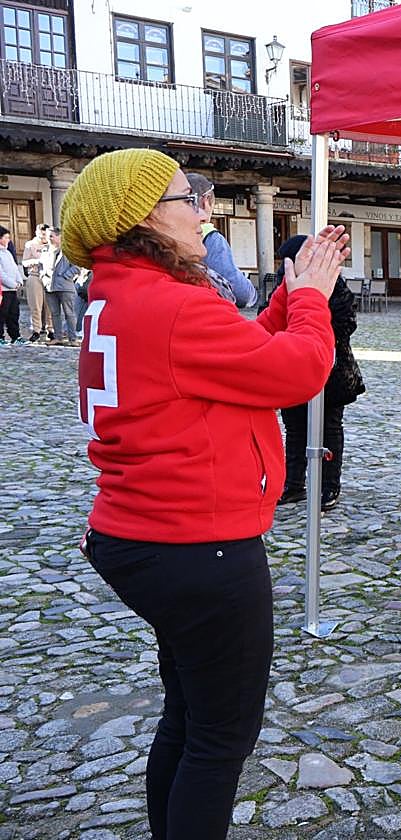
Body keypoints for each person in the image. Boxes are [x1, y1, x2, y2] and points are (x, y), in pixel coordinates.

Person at [62, 147, 347, 839]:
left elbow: (237, 351)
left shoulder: (125, 294)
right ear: (143, 221)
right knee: (220, 739)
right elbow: (298, 371)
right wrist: (311, 301)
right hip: (197, 547)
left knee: (188, 717)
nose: (202, 210)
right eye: (186, 198)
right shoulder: (168, 305)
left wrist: (286, 296)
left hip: (143, 537)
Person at [275, 234, 366, 512]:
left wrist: (314, 330)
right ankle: (293, 484)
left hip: (332, 369)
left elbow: (346, 321)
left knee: (329, 428)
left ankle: (329, 486)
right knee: (295, 428)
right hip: (292, 367)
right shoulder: (284, 281)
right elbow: (269, 313)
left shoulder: (332, 282)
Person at [186, 173, 258, 308]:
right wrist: (253, 293)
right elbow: (240, 293)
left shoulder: (168, 233)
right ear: (205, 201)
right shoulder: (209, 236)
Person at [44, 228, 81, 346]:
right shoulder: (46, 251)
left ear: (59, 237)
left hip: (65, 287)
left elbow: (77, 266)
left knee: (69, 313)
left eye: (51, 236)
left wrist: (65, 276)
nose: (49, 238)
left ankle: (72, 339)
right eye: (48, 236)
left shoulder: (68, 250)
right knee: (54, 314)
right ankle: (57, 337)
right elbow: (40, 266)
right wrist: (43, 278)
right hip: (50, 287)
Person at [21, 223, 52, 342]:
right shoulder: (30, 245)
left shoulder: (50, 245)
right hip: (35, 275)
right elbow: (24, 262)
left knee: (50, 306)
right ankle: (36, 330)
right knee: (36, 305)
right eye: (42, 234)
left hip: (48, 276)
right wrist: (38, 261)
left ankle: (51, 329)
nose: (45, 236)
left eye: (46, 234)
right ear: (37, 233)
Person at [0, 226, 21, 345]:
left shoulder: (7, 252)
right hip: (4, 290)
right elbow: (1, 273)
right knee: (2, 314)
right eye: (6, 237)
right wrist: (12, 284)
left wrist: (19, 281)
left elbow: (15, 268)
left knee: (14, 313)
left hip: (13, 289)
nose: (8, 240)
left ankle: (15, 336)